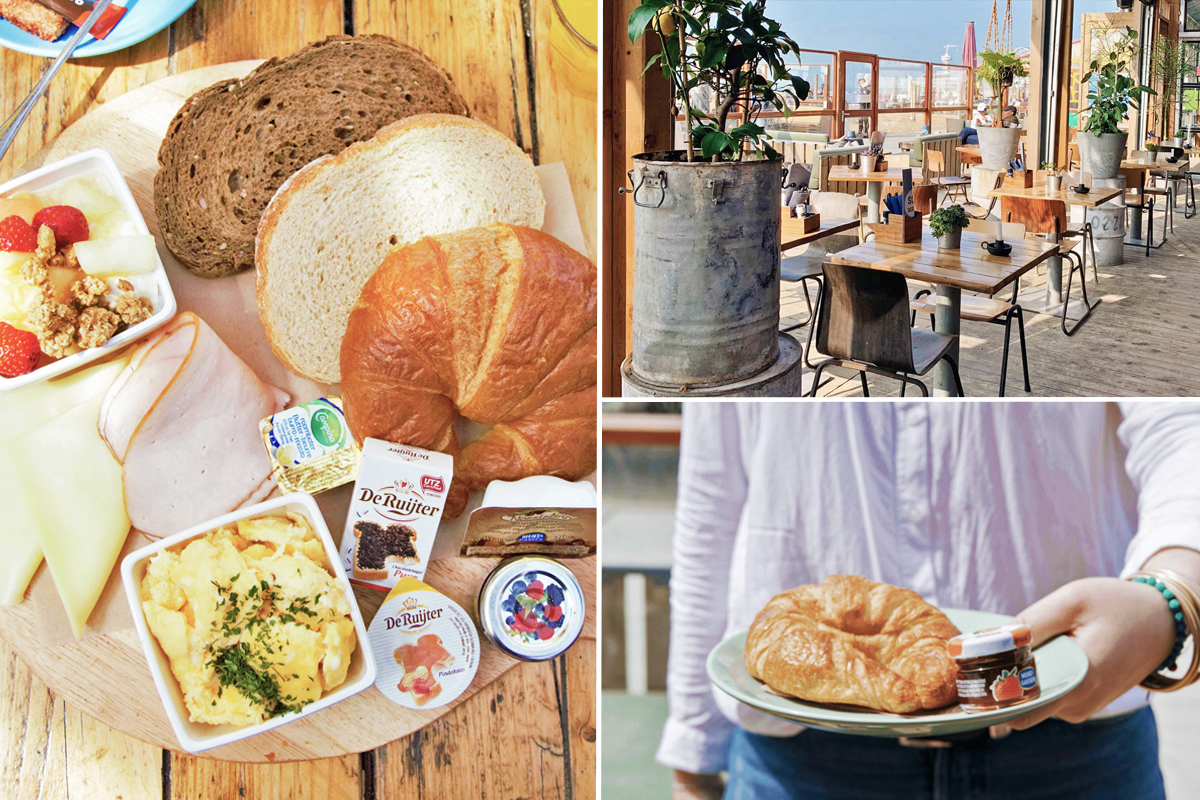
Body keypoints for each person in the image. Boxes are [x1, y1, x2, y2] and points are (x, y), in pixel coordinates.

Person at [658, 402, 1200, 800]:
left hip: (1075, 752)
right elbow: (712, 503)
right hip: (799, 761)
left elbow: (1181, 424)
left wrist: (1173, 593)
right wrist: (692, 760)